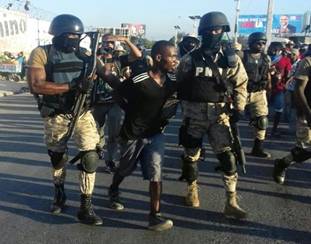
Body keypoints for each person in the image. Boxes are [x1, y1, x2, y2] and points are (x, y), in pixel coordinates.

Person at [27, 14, 116, 225]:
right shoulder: (42, 53)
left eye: (77, 35)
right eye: (69, 35)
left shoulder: (87, 54)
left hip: (83, 113)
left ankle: (86, 206)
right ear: (57, 34)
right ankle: (59, 193)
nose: (73, 39)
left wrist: (134, 90)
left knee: (90, 156)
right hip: (56, 115)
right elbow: (36, 85)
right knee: (58, 159)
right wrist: (72, 86)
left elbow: (108, 76)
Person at [176, 11, 248, 219]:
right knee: (191, 156)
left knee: (228, 158)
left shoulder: (231, 60)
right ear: (203, 32)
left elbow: (241, 84)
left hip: (220, 115)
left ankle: (231, 201)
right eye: (209, 30)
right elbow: (178, 82)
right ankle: (192, 190)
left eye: (218, 30)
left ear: (223, 32)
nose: (214, 33)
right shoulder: (190, 59)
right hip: (193, 115)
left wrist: (240, 108)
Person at [108, 40, 179, 231]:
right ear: (158, 58)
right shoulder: (140, 80)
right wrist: (130, 110)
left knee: (156, 172)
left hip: (155, 135)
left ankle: (154, 215)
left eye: (176, 56)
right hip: (133, 134)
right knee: (124, 169)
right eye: (171, 56)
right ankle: (114, 188)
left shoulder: (172, 81)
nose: (175, 60)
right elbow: (117, 93)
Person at [92, 35, 141, 173]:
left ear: (115, 45)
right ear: (100, 44)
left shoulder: (119, 60)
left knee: (114, 135)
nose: (108, 45)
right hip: (97, 102)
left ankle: (110, 160)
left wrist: (126, 40)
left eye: (111, 43)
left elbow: (137, 55)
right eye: (105, 42)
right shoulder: (94, 59)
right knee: (94, 133)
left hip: (116, 102)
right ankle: (98, 148)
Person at [273, 53, 311, 184]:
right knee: (304, 147)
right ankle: (283, 164)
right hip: (307, 110)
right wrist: (308, 113)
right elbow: (299, 89)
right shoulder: (307, 62)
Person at [242, 32, 271, 158]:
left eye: (263, 43)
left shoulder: (266, 58)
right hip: (242, 92)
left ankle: (257, 148)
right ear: (251, 43)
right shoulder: (242, 55)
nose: (261, 45)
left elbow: (267, 74)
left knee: (262, 121)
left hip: (259, 92)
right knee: (229, 119)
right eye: (258, 43)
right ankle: (229, 148)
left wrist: (269, 88)